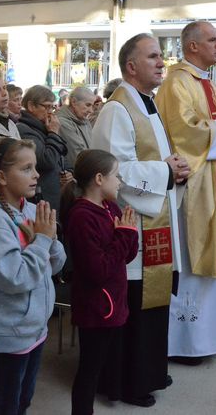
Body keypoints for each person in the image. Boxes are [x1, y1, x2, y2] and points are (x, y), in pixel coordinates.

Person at [93, 33, 189, 407]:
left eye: (161, 56)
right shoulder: (117, 109)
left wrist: (175, 169)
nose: (162, 62)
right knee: (133, 303)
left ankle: (148, 371)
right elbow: (112, 171)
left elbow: (156, 160)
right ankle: (127, 381)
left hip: (157, 217)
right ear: (131, 67)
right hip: (134, 222)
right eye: (153, 57)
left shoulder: (147, 105)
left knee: (151, 304)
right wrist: (165, 170)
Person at [155, 21, 216, 364]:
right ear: (192, 46)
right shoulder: (177, 83)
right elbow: (182, 133)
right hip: (196, 188)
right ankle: (187, 343)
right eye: (212, 40)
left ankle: (213, 337)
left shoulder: (205, 82)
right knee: (195, 261)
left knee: (215, 257)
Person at [0, 138, 66, 415]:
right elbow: (14, 278)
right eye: (26, 169)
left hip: (35, 326)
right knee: (6, 403)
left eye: (34, 167)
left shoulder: (32, 210)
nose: (35, 174)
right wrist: (43, 242)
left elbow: (56, 266)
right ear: (2, 177)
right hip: (12, 328)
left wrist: (51, 240)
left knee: (23, 399)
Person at [61, 149, 139, 415]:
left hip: (113, 303)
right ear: (98, 178)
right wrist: (123, 237)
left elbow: (125, 256)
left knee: (100, 366)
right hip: (97, 308)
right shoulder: (83, 216)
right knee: (89, 373)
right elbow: (98, 270)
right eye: (115, 175)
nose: (119, 181)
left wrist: (129, 235)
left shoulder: (109, 207)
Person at [17, 85, 71, 213]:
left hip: (55, 195)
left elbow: (62, 156)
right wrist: (53, 133)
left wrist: (68, 171)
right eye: (46, 106)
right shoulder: (24, 129)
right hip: (40, 198)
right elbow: (47, 160)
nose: (50, 111)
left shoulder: (44, 127)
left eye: (52, 107)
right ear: (31, 106)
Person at [56, 86, 95, 167]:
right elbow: (78, 155)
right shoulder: (63, 123)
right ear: (73, 102)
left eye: (92, 105)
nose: (91, 110)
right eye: (88, 105)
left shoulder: (85, 121)